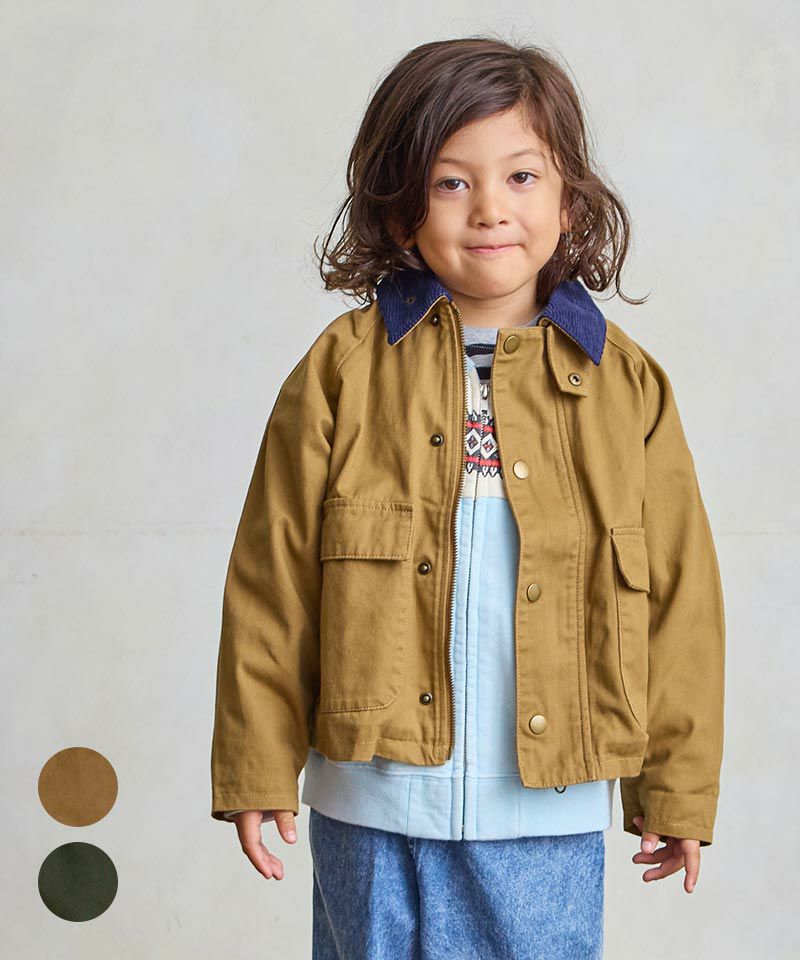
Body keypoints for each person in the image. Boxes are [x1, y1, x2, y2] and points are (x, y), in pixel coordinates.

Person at [210, 35, 726, 959]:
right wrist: (256, 766)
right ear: (400, 208)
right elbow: (271, 581)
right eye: (451, 182)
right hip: (371, 806)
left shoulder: (627, 388)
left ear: (570, 199)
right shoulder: (343, 371)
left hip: (545, 815)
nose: (490, 208)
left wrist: (676, 790)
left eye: (522, 177)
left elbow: (681, 603)